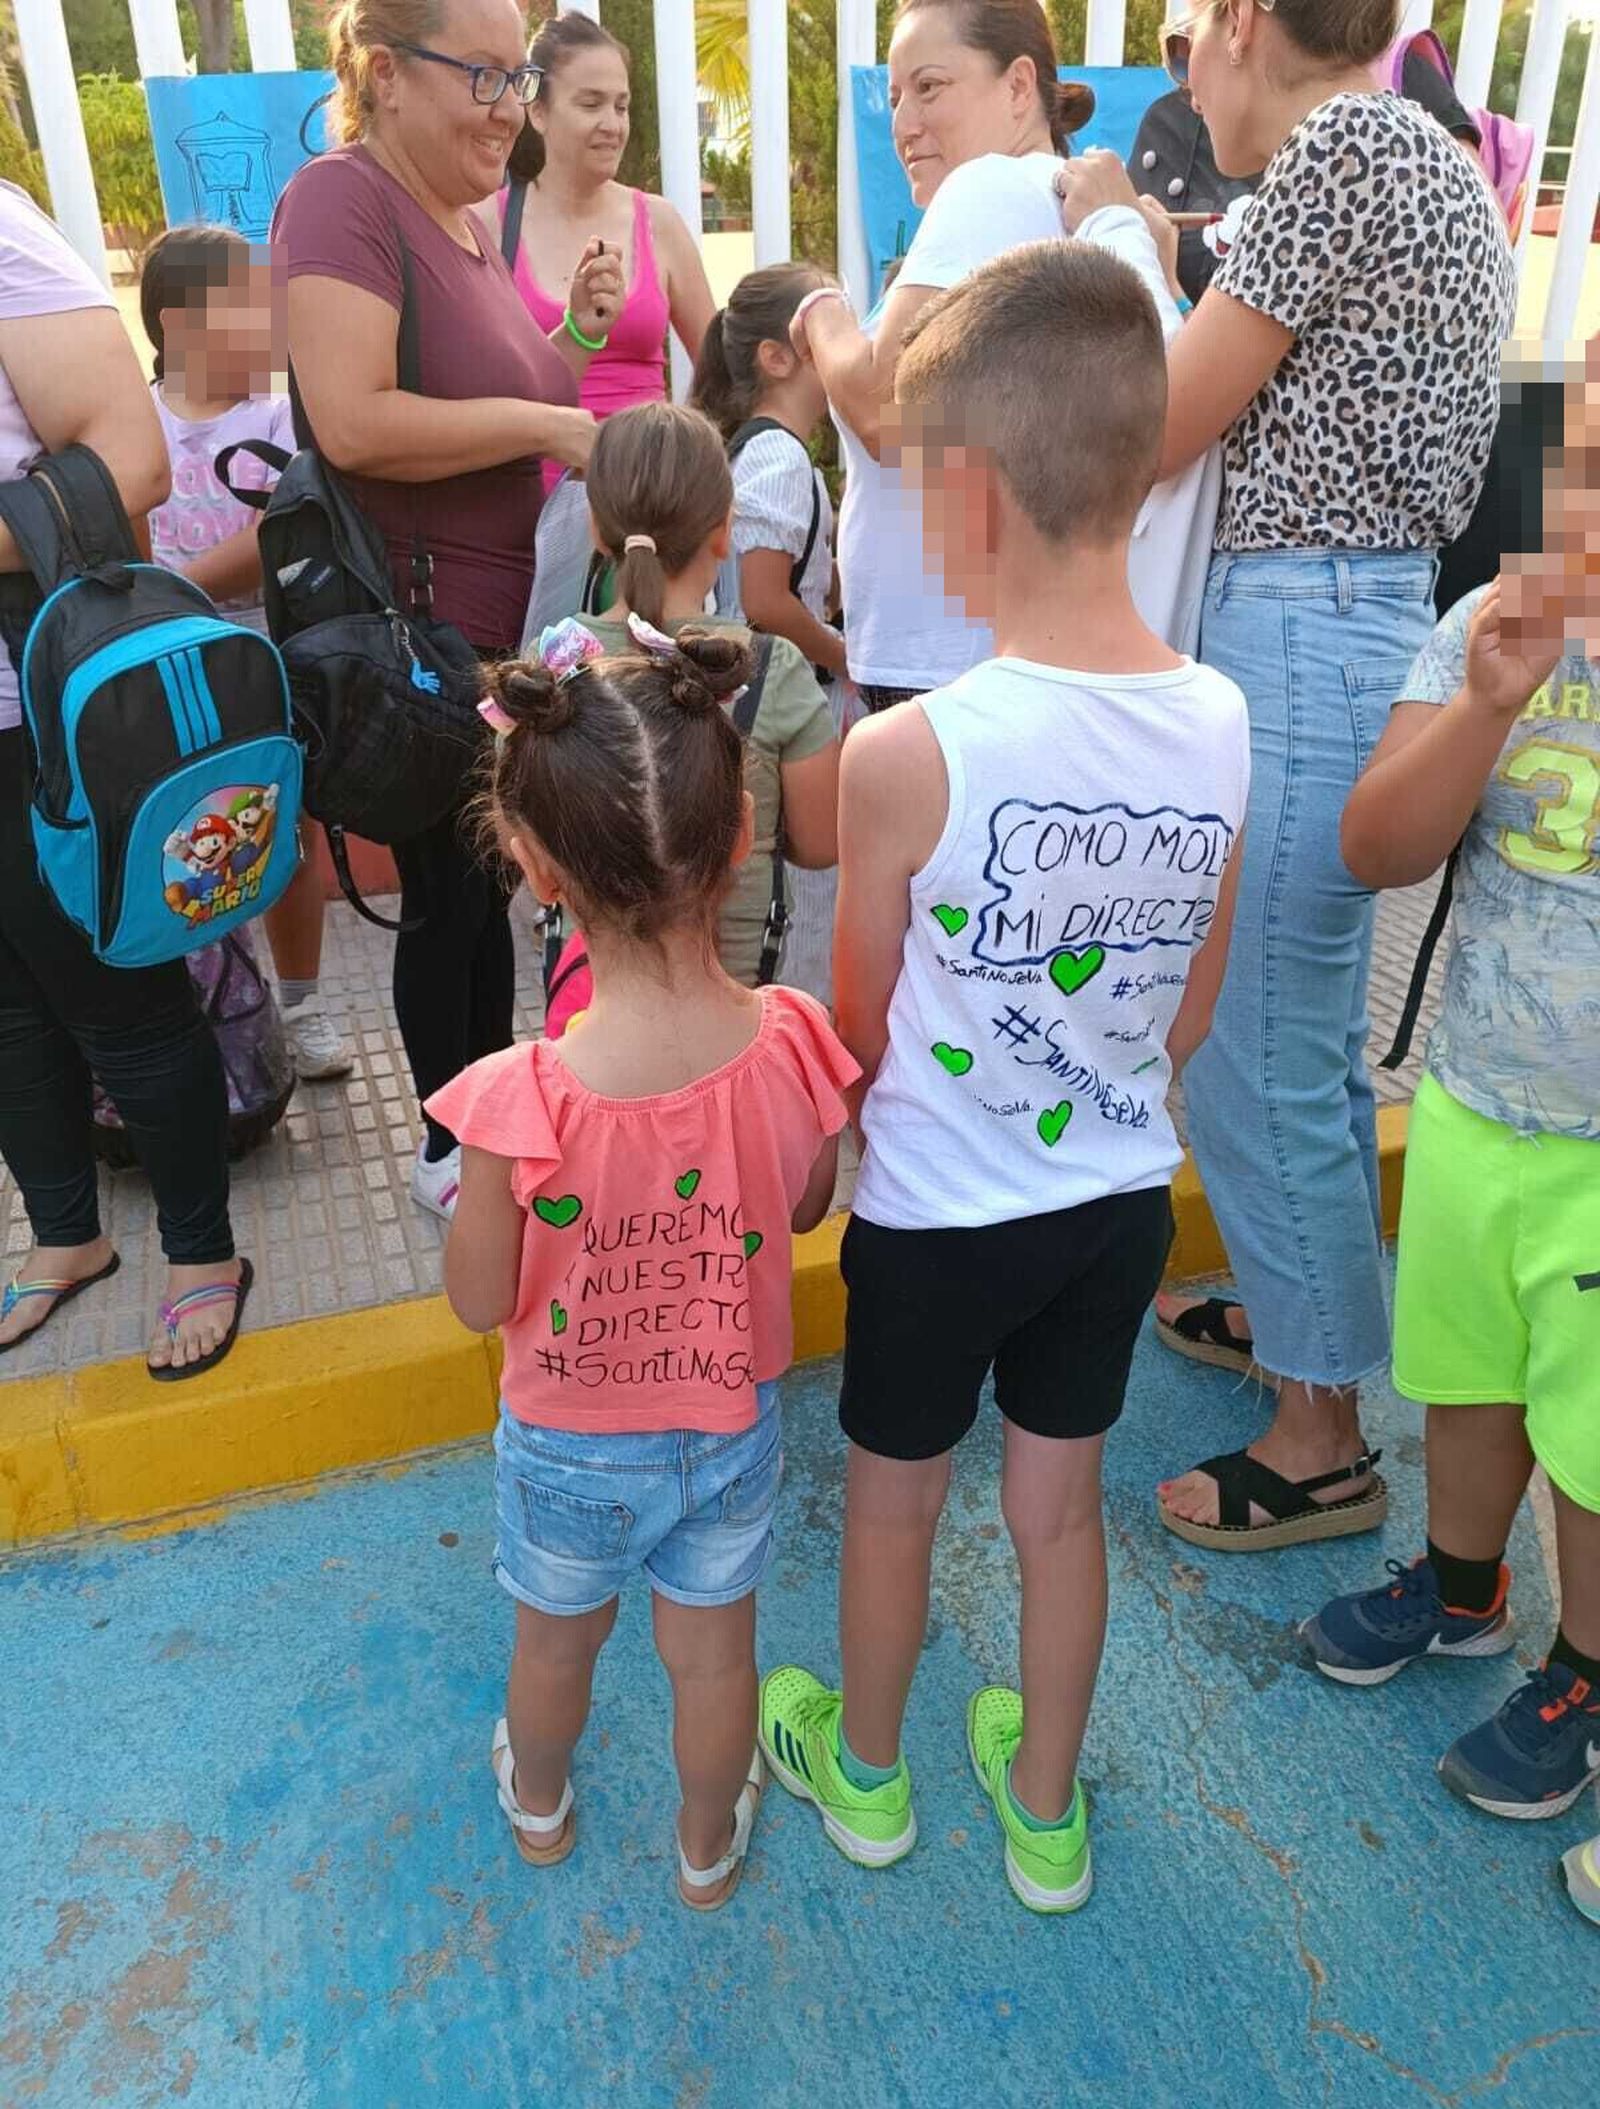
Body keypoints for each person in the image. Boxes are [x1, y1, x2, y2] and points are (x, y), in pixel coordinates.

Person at [759, 243, 1250, 1911]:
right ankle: (1045, 1808)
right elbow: (1190, 1002)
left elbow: (860, 1025)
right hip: (1114, 1205)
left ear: (961, 501)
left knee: (893, 1509)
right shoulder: (1223, 719)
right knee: (1059, 1508)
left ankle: (870, 1773)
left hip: (935, 1213)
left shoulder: (907, 754)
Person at [1058, 0, 1517, 1549]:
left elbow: (1174, 415)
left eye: (1187, 34)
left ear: (1245, 22)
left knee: (1248, 1039)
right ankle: (1299, 1307)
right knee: (1294, 1034)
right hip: (1347, 614)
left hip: (1303, 621)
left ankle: (1323, 1433)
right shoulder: (1421, 150)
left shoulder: (1338, 147)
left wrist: (1117, 234)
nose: (1186, 75)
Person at [430, 620, 855, 1909]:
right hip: (724, 1428)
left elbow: (474, 1302)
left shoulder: (519, 1098)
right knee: (714, 1660)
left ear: (533, 868)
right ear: (738, 841)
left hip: (564, 1442)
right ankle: (705, 1845)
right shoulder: (792, 1038)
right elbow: (800, 1204)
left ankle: (542, 1803)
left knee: (556, 1647)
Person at [1299, 360, 1600, 1926]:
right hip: (1481, 1097)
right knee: (1466, 1382)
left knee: (1598, 1453)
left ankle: (1583, 1670)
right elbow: (1374, 844)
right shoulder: (1484, 632)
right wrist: (1487, 699)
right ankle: (1467, 1592)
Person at [272, 0, 614, 1222]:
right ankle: (447, 1147)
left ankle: (481, 1131)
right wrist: (543, 424)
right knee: (452, 893)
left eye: (515, 73)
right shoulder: (342, 198)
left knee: (480, 892)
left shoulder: (463, 225)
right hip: (411, 642)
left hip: (482, 634)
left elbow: (521, 390)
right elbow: (356, 418)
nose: (508, 104)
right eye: (481, 74)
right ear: (383, 72)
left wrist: (570, 330)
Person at [794, 0, 1217, 714]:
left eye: (930, 88)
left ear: (1020, 88)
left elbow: (877, 404)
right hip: (1010, 660)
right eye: (896, 97)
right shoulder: (1073, 214)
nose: (902, 124)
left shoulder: (988, 185)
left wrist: (818, 309)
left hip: (938, 668)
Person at [0, 182, 250, 1378]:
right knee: (5, 1003)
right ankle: (66, 1238)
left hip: (35, 713)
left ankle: (202, 1255)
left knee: (118, 990)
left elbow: (126, 459)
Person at [140, 224, 355, 1086]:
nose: (272, 321)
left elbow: (282, 529)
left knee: (282, 832)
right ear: (181, 321)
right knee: (181, 835)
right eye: (249, 304)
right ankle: (216, 1002)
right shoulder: (132, 418)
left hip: (265, 660)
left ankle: (297, 1003)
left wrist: (174, 588)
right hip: (157, 674)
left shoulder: (280, 420)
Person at [567, 402, 840, 990]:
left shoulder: (555, 666)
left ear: (595, 528)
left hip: (596, 1003)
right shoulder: (769, 669)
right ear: (724, 532)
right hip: (736, 994)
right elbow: (820, 843)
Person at [693, 262, 846, 1005]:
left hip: (740, 708)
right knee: (802, 919)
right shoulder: (781, 457)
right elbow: (764, 601)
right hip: (781, 716)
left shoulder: (755, 450)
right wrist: (850, 657)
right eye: (829, 323)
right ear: (777, 357)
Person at [483, 8, 715, 478]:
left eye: (622, 105)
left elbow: (721, 375)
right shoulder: (486, 223)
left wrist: (688, 469)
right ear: (538, 111)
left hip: (648, 512)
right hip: (530, 522)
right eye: (591, 104)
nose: (612, 124)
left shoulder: (659, 222)